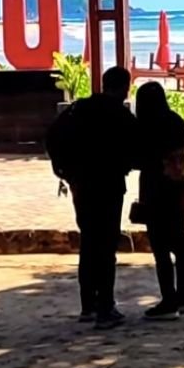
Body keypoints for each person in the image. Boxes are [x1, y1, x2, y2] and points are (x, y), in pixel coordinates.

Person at [47, 65, 138, 329]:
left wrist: (64, 171)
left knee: (88, 242)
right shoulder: (120, 115)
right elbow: (137, 147)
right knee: (106, 245)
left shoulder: (79, 108)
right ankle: (106, 307)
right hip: (109, 186)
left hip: (81, 185)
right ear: (124, 88)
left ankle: (87, 305)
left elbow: (52, 137)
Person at [134, 81, 184, 320]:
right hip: (179, 186)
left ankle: (168, 300)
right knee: (180, 244)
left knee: (160, 248)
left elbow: (138, 158)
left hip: (155, 191)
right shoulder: (176, 121)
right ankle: (183, 296)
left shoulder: (145, 127)